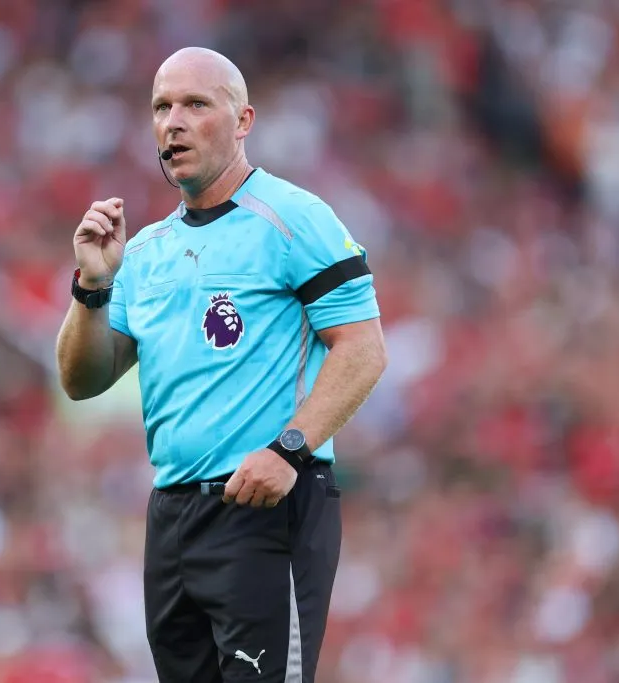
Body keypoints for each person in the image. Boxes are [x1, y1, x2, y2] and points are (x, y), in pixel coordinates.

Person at [55, 46, 388, 683]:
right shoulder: (146, 251)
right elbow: (83, 379)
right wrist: (92, 286)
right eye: (161, 107)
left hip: (266, 507)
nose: (173, 122)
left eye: (195, 104)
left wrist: (290, 449)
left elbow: (364, 349)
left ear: (242, 121)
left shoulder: (295, 218)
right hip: (173, 518)